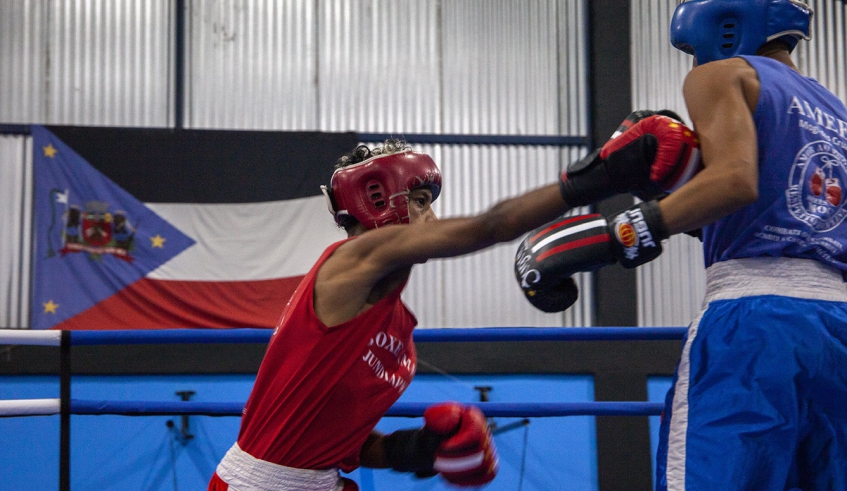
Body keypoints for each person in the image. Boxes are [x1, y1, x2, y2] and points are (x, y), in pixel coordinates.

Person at [209, 124, 696, 490]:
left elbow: (341, 442)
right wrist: (597, 179)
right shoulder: (349, 262)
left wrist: (416, 448)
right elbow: (491, 226)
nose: (433, 217)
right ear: (378, 200)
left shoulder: (397, 326)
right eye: (420, 200)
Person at [514, 0, 847, 489]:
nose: (694, 62)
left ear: (726, 23)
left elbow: (736, 181)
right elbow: (795, 213)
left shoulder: (723, 75)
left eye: (692, 48)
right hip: (837, 330)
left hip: (753, 321)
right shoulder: (836, 112)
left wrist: (619, 235)